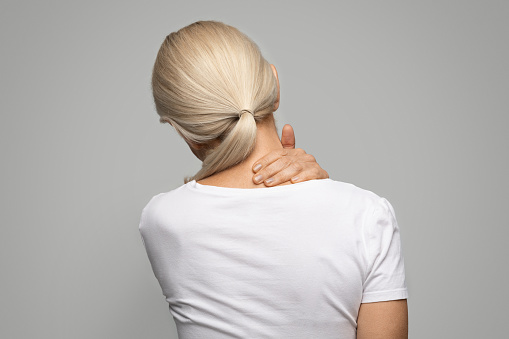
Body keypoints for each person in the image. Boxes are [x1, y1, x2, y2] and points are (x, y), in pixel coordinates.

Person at [139, 20, 408, 338]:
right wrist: (325, 196)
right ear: (275, 85)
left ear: (182, 130)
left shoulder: (161, 220)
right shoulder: (367, 215)